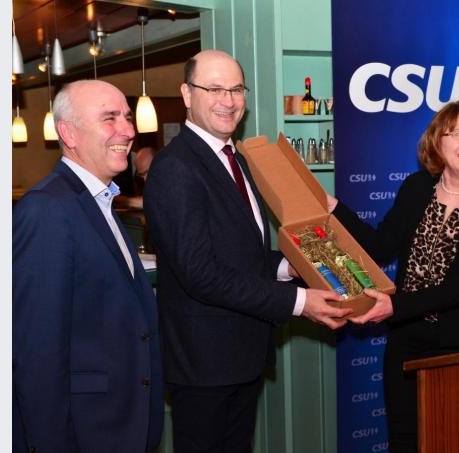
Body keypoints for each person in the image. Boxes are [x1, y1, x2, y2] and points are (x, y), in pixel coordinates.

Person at [142, 49, 352, 453]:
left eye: (237, 89)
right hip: (204, 364)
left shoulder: (236, 159)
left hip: (242, 355)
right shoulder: (176, 168)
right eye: (215, 88)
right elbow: (200, 273)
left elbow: (242, 256)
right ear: (187, 94)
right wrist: (299, 301)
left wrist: (292, 266)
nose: (229, 100)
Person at [327, 100, 459, 453]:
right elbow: (380, 245)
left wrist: (394, 306)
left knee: (456, 441)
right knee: (404, 440)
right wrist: (335, 209)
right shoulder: (416, 188)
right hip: (406, 341)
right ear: (438, 140)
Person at [12, 80, 164, 452]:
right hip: (86, 429)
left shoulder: (100, 200)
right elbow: (36, 350)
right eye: (109, 118)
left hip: (122, 422)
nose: (128, 131)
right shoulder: (47, 208)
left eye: (127, 118)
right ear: (69, 133)